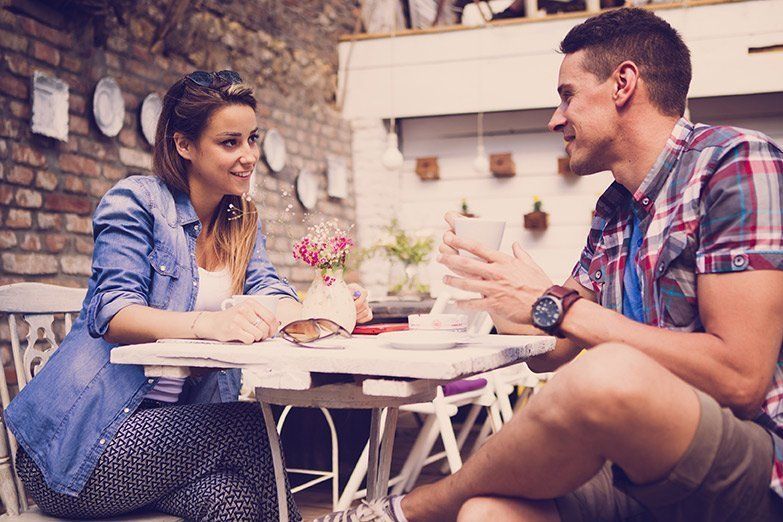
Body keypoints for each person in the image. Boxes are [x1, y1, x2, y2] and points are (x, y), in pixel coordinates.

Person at [316, 7, 783, 522]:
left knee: (606, 372)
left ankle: (403, 511)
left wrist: (553, 304)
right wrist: (499, 288)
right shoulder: (614, 209)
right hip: (634, 460)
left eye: (567, 96)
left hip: (752, 459)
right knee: (487, 514)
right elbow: (552, 351)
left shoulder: (734, 161)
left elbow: (742, 377)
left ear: (623, 84)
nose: (555, 118)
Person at [4, 70, 373, 521]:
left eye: (252, 139)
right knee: (247, 424)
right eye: (230, 142)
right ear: (184, 145)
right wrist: (208, 325)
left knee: (234, 501)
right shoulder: (136, 202)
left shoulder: (240, 219)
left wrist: (323, 313)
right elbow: (114, 312)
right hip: (83, 446)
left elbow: (270, 291)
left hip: (168, 446)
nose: (249, 156)